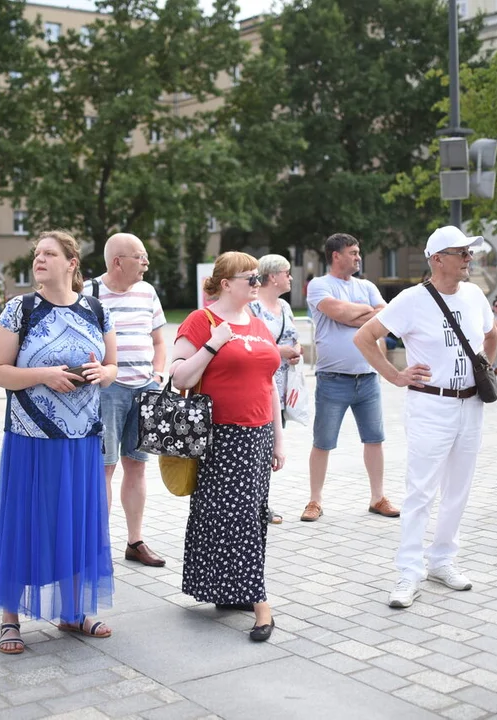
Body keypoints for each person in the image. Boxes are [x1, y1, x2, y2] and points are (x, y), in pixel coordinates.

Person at [353, 226, 497, 609]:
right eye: (461, 252)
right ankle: (409, 571)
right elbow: (365, 338)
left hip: (471, 405)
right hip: (431, 406)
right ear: (437, 259)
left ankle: (443, 559)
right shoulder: (412, 300)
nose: (469, 259)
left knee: (458, 489)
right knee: (420, 491)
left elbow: (492, 334)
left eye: (470, 252)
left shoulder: (473, 295)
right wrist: (395, 376)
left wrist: (486, 369)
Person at [0, 230, 117, 652]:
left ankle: (73, 611)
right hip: (32, 438)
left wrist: (104, 374)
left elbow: (113, 365)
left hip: (82, 438)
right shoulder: (19, 309)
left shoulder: (96, 309)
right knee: (26, 520)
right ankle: (10, 619)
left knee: (76, 521)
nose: (39, 259)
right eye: (36, 253)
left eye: (49, 254)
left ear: (71, 263)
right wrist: (44, 374)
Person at [171, 251, 285, 642]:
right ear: (225, 284)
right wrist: (213, 345)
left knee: (247, 516)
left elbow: (269, 383)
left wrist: (278, 438)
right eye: (250, 278)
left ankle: (229, 590)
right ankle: (260, 602)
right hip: (221, 436)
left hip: (258, 434)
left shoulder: (258, 324)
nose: (257, 284)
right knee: (234, 519)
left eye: (258, 278)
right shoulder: (201, 322)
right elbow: (179, 376)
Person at [83, 233, 168, 567]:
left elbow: (160, 341)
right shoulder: (89, 293)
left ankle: (135, 541)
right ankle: (98, 546)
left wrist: (158, 376)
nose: (146, 262)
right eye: (141, 256)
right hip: (107, 390)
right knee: (104, 468)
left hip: (145, 390)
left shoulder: (148, 292)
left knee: (137, 466)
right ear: (118, 261)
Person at [302, 233, 398, 522]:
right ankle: (314, 501)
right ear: (336, 255)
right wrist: (363, 315)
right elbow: (339, 311)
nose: (358, 257)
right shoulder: (319, 285)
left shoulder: (366, 286)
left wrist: (354, 316)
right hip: (333, 379)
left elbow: (386, 318)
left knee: (374, 439)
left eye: (358, 252)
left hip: (368, 378)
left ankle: (377, 497)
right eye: (353, 252)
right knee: (323, 441)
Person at [249, 254, 302, 524]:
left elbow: (293, 336)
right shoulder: (254, 307)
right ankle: (255, 504)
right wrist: (279, 350)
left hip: (281, 389)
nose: (290, 277)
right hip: (259, 385)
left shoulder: (284, 306)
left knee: (271, 447)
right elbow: (251, 341)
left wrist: (296, 351)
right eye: (286, 272)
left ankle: (262, 502)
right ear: (272, 276)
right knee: (258, 449)